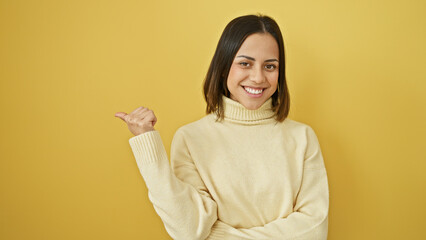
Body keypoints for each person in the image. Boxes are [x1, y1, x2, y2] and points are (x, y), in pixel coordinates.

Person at [115, 14, 329, 240]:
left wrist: (220, 235)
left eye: (270, 66)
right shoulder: (190, 139)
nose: (258, 77)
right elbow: (189, 230)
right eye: (245, 63)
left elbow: (314, 230)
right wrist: (148, 145)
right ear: (225, 66)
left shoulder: (303, 137)